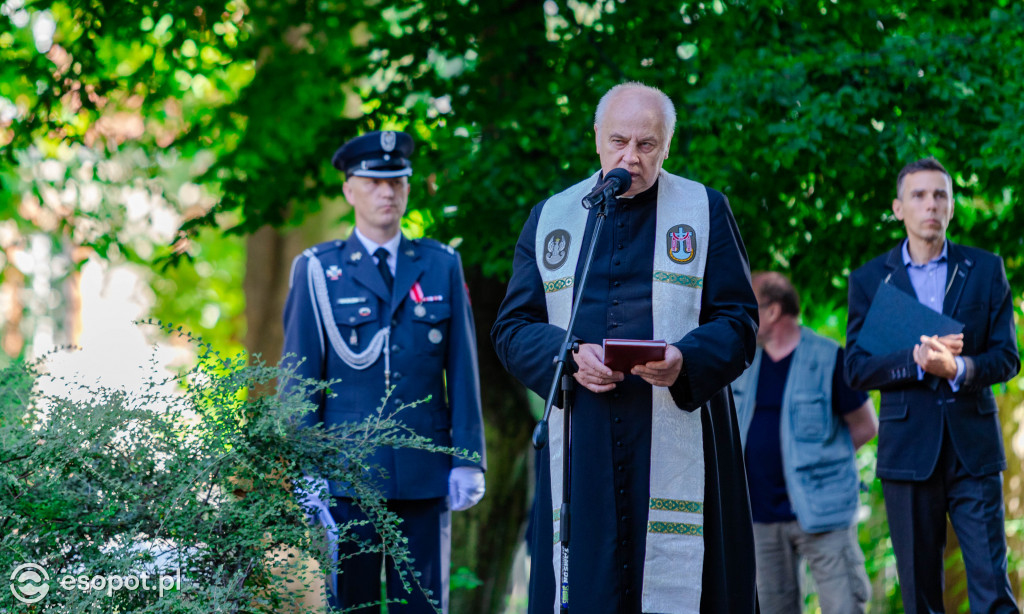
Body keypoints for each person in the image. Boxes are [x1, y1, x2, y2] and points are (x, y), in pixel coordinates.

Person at [491, 82, 759, 614]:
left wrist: (686, 359)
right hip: (583, 437)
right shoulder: (553, 218)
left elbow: (740, 321)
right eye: (618, 142)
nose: (630, 158)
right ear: (596, 138)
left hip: (680, 428)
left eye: (646, 145)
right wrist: (566, 356)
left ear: (667, 145)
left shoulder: (705, 211)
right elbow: (512, 327)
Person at [280, 130, 487, 613]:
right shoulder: (317, 270)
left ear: (409, 188)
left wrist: (467, 457)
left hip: (425, 474)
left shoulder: (440, 265)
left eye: (397, 181)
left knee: (422, 605)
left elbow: (462, 370)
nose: (387, 192)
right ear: (349, 189)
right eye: (373, 182)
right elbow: (300, 379)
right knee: (350, 605)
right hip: (346, 477)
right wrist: (305, 465)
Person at [845, 157, 1020, 614]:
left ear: (952, 206)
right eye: (919, 195)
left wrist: (957, 368)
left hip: (974, 451)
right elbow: (857, 370)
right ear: (898, 208)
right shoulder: (869, 280)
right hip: (907, 454)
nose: (931, 205)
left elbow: (1007, 358)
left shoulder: (986, 270)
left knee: (992, 590)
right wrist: (917, 362)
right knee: (920, 596)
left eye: (940, 195)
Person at [732, 271, 876, 614]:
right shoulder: (745, 362)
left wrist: (821, 461)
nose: (742, 315)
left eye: (750, 306)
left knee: (844, 606)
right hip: (760, 516)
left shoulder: (830, 358)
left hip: (823, 512)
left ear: (772, 311)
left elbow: (867, 426)